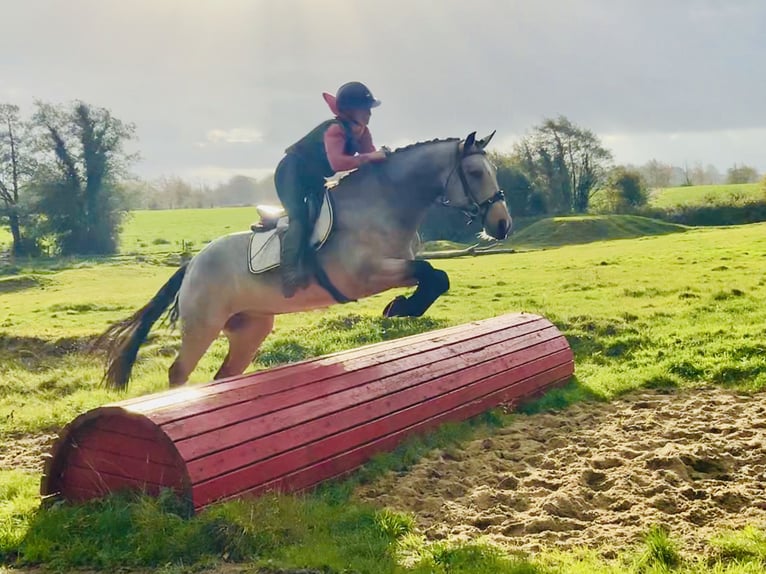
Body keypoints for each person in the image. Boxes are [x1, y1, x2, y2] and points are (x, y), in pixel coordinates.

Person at [274, 81, 388, 298]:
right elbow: (338, 164)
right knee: (299, 217)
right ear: (349, 110)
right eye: (364, 109)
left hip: (314, 176)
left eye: (369, 109)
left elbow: (371, 160)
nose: (369, 114)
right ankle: (288, 272)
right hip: (291, 173)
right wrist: (370, 157)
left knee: (326, 212)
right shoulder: (335, 130)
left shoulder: (363, 132)